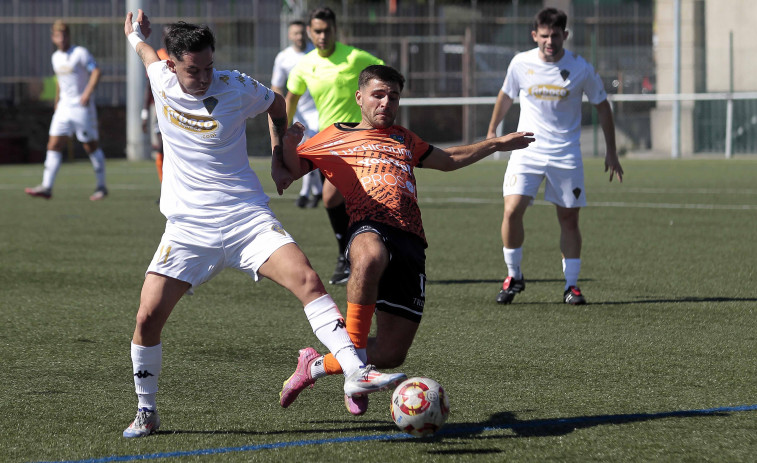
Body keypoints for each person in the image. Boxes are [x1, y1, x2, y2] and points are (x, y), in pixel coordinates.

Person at [121, 10, 405, 438]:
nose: (202, 77)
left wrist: (277, 154)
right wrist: (135, 36)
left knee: (309, 280)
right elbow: (144, 52)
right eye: (193, 70)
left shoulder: (234, 86)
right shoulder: (159, 77)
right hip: (187, 228)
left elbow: (277, 105)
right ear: (173, 65)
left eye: (208, 67)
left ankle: (355, 370)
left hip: (245, 217)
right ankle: (147, 411)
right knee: (146, 319)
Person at [278, 65, 534, 415]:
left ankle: (315, 365)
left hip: (411, 241)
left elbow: (448, 159)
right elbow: (291, 172)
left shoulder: (404, 138)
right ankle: (359, 372)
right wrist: (287, 145)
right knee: (369, 258)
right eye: (378, 95)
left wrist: (496, 144)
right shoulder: (333, 135)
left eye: (393, 97)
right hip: (367, 224)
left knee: (392, 352)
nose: (386, 102)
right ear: (360, 97)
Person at [486, 7, 623, 306]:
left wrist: (611, 151)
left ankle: (571, 286)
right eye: (544, 36)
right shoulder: (520, 63)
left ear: (565, 36)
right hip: (526, 149)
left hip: (565, 153)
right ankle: (514, 275)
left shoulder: (581, 68)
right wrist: (491, 131)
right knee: (511, 211)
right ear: (535, 35)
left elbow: (602, 105)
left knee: (569, 218)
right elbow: (506, 94)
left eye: (556, 35)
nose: (550, 41)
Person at [285, 6, 384, 284]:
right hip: (328, 143)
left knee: (332, 197)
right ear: (309, 32)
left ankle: (348, 256)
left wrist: (378, 109)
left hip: (361, 139)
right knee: (341, 202)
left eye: (327, 30)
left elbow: (385, 76)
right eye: (317, 31)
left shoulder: (354, 57)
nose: (322, 35)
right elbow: (290, 100)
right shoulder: (305, 65)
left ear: (335, 30)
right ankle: (351, 255)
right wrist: (282, 134)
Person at [25, 20, 108, 201]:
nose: (61, 39)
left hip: (81, 107)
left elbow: (96, 72)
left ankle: (101, 186)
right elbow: (60, 83)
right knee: (53, 145)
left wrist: (86, 94)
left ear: (69, 36)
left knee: (90, 146)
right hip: (63, 108)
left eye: (64, 35)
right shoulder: (55, 57)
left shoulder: (80, 53)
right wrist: (56, 102)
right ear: (53, 38)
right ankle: (47, 187)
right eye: (58, 36)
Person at [271, 20, 322, 209]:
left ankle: (307, 193)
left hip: (320, 111)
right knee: (306, 153)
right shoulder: (283, 57)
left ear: (307, 33)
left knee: (311, 153)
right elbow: (276, 85)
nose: (299, 37)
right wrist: (281, 108)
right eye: (295, 33)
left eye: (302, 33)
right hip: (300, 113)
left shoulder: (317, 54)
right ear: (289, 35)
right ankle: (315, 192)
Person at [141, 26, 170, 183]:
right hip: (159, 109)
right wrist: (144, 113)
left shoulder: (181, 57)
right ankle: (165, 186)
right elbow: (148, 86)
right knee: (161, 148)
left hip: (178, 109)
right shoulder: (158, 55)